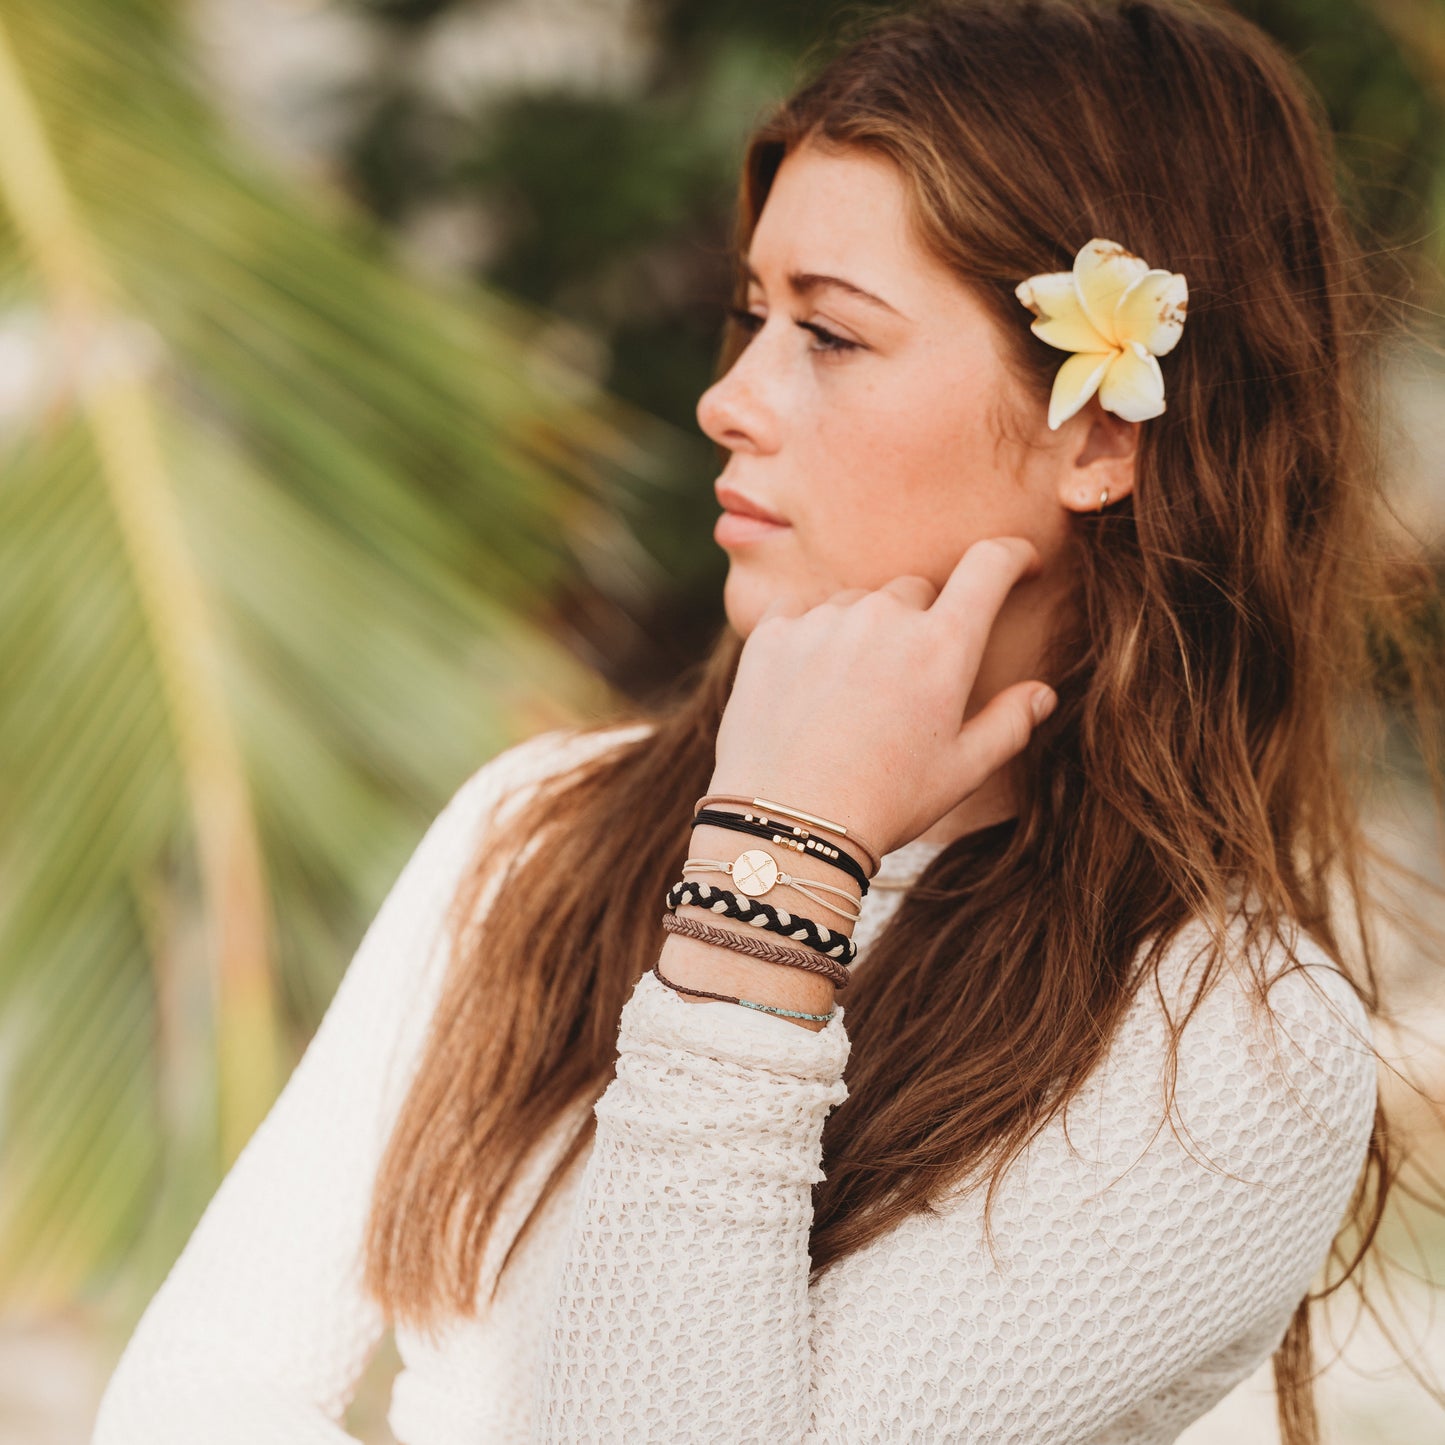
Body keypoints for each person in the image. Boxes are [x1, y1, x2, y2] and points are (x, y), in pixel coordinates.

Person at [92, 0, 1443, 1441]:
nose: (729, 400)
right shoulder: (540, 825)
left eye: (832, 334)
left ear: (1100, 434)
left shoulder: (1224, 1046)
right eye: (751, 316)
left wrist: (773, 884)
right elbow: (192, 1403)